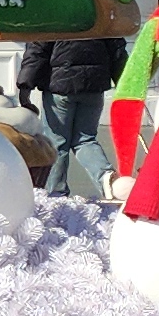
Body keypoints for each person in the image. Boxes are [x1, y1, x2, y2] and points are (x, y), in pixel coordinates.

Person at [27, 30, 125, 202]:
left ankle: (55, 194)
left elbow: (38, 47)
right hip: (93, 86)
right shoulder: (101, 16)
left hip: (59, 86)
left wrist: (25, 82)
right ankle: (105, 176)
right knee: (85, 139)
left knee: (57, 141)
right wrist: (124, 83)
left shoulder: (55, 17)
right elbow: (117, 49)